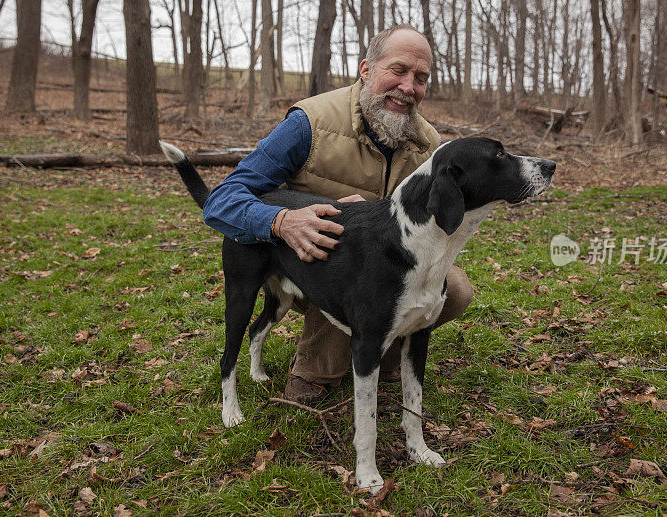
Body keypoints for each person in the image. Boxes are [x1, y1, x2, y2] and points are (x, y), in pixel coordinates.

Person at [202, 25, 474, 403]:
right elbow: (222, 200)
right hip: (308, 265)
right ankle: (315, 371)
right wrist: (282, 222)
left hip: (384, 266)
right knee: (357, 267)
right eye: (397, 70)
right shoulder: (309, 123)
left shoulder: (428, 145)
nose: (408, 87)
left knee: (454, 288)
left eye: (421, 78)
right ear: (366, 69)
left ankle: (386, 352)